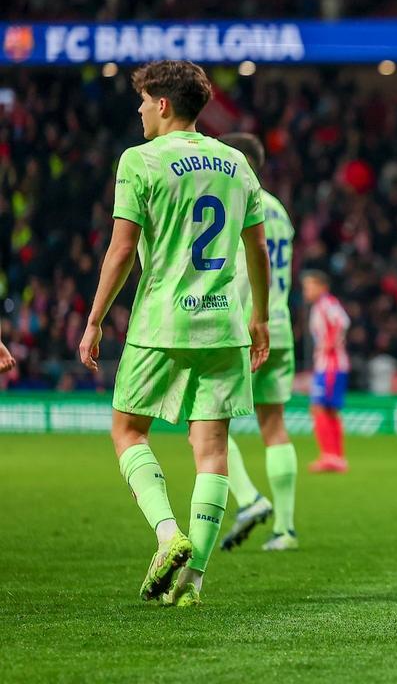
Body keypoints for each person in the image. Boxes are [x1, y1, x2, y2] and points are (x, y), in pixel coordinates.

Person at [79, 60, 270, 607]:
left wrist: (94, 320)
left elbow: (120, 250)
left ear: (163, 104)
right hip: (224, 323)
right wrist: (257, 317)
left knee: (127, 431)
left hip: (161, 322)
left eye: (143, 100)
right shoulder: (236, 162)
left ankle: (167, 534)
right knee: (211, 453)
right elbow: (255, 249)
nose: (139, 110)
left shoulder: (139, 160)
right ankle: (193, 584)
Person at [216, 132, 301, 552]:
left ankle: (248, 497)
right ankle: (285, 530)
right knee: (274, 426)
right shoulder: (279, 210)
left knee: (206, 423)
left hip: (246, 327)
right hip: (280, 323)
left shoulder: (238, 204)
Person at [303, 269, 351, 472]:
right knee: (329, 410)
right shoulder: (320, 306)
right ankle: (336, 457)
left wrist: (330, 344)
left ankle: (330, 456)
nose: (307, 290)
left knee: (319, 408)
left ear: (322, 287)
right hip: (330, 364)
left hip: (330, 365)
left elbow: (343, 322)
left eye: (310, 286)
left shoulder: (326, 303)